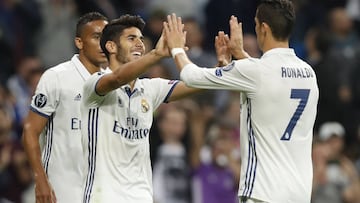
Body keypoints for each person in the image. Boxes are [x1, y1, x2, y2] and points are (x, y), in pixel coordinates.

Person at [164, 0, 319, 202]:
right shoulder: (308, 73)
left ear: (263, 28)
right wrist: (238, 55)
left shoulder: (255, 71)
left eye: (255, 24)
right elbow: (267, 79)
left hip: (263, 192)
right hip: (299, 192)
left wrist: (177, 49)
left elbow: (191, 75)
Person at [80, 14, 204, 203]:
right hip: (104, 196)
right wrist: (157, 54)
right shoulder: (94, 84)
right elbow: (117, 79)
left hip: (141, 196)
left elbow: (195, 84)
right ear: (111, 46)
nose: (139, 43)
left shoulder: (150, 89)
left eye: (140, 39)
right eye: (131, 38)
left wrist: (222, 68)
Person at [21, 12, 108, 203]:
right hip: (61, 189)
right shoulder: (56, 77)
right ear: (79, 42)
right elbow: (30, 131)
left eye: (106, 37)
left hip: (101, 191)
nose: (103, 44)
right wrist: (40, 179)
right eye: (96, 37)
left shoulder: (112, 82)